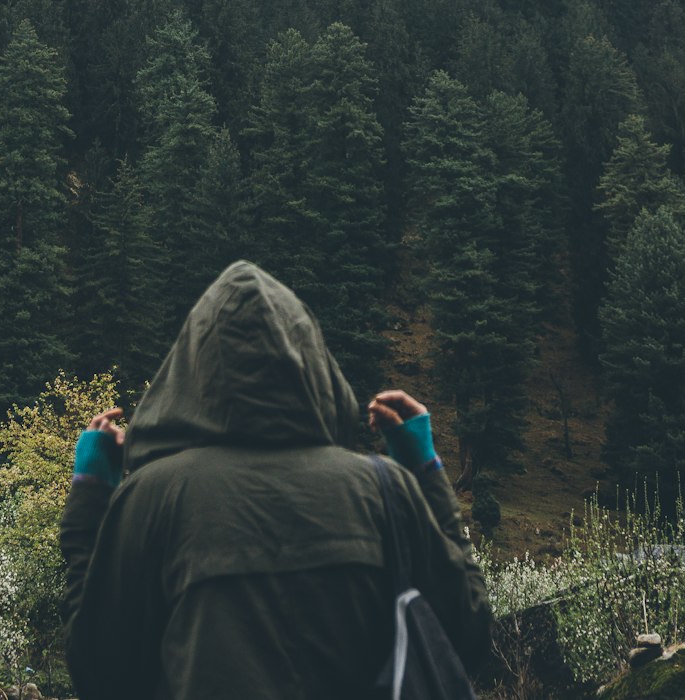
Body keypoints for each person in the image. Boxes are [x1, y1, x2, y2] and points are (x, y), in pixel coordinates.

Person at [60, 260, 491, 699]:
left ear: (191, 369)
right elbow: (466, 634)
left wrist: (91, 498)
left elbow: (99, 672)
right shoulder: (383, 490)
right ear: (312, 364)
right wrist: (425, 472)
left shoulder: (151, 496)